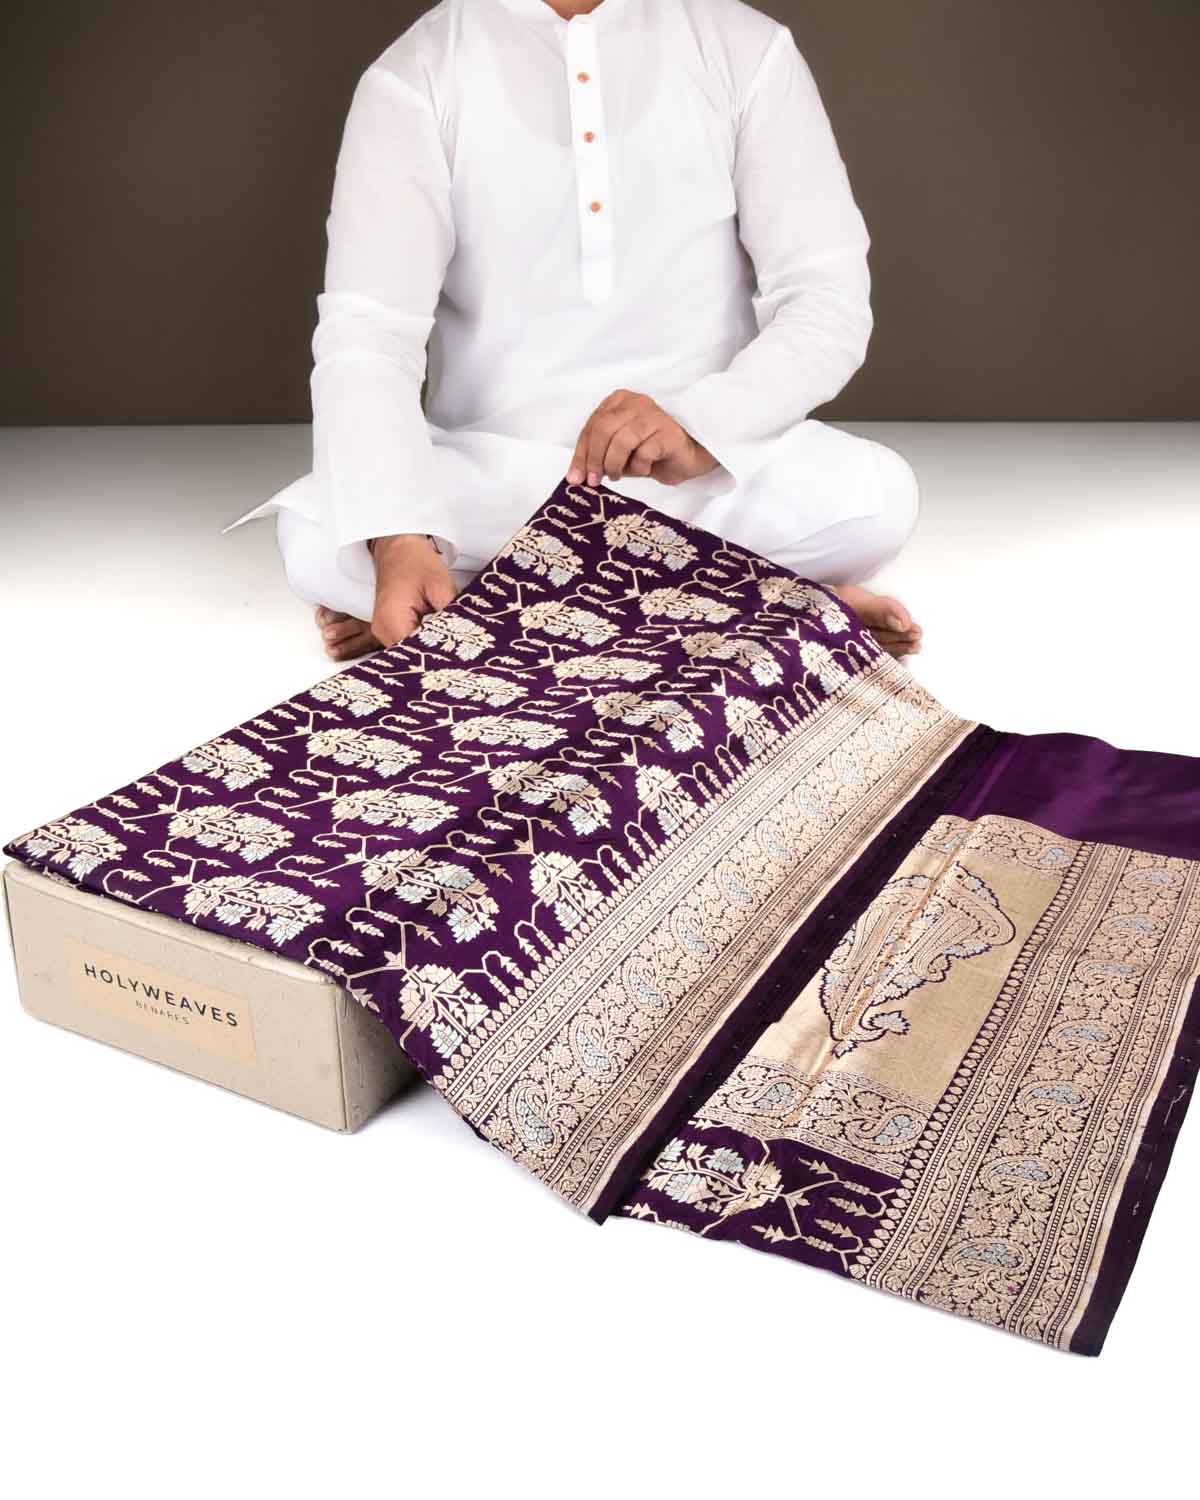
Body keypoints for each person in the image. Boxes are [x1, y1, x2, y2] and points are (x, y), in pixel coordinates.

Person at [226, 0, 924, 662]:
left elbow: (825, 300)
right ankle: (774, 607)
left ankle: (486, 611)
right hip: (497, 477)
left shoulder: (747, 48)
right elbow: (368, 334)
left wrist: (701, 426)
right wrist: (401, 537)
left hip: (696, 481)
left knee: (876, 500)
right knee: (316, 536)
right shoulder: (415, 75)